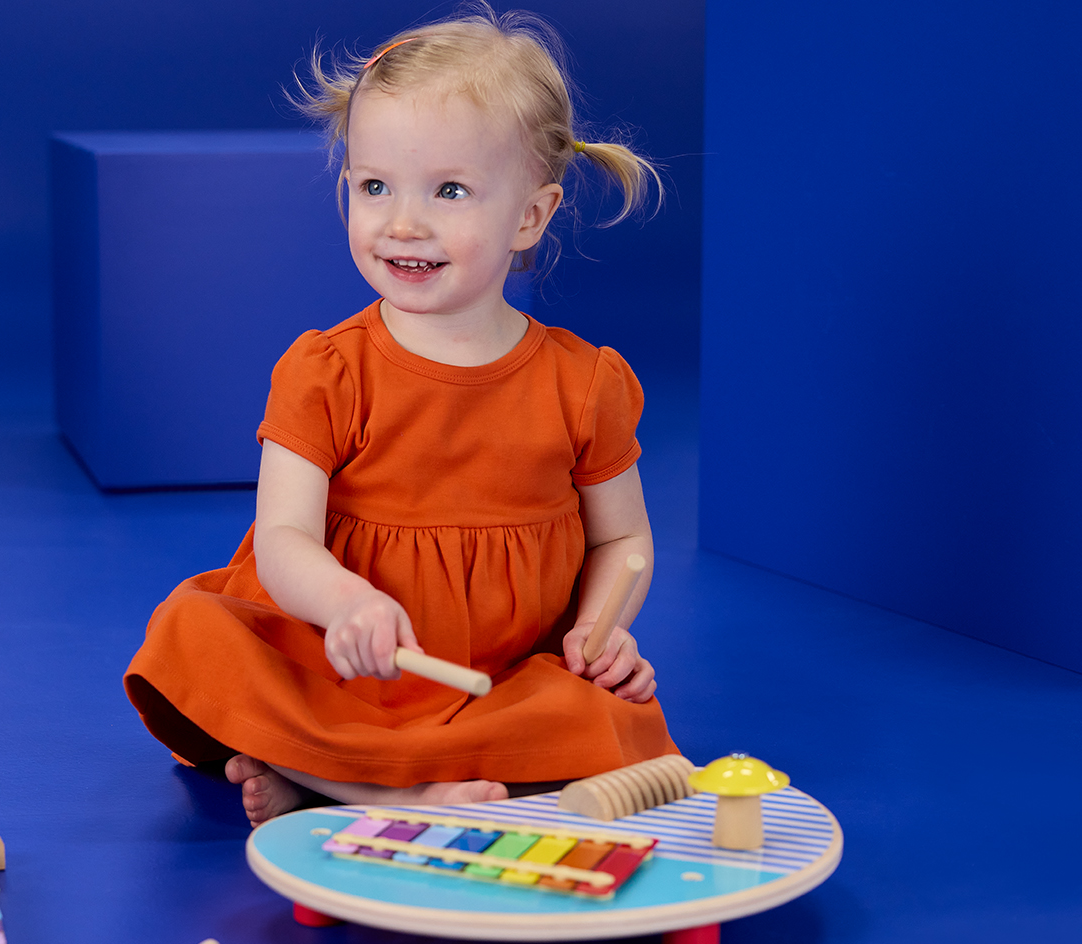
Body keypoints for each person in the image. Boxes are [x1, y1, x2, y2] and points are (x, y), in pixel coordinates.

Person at [125, 7, 678, 825]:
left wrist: (598, 637)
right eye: (375, 186)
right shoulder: (325, 369)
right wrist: (343, 603)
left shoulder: (584, 382)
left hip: (500, 674)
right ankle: (377, 783)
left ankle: (323, 780)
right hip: (340, 661)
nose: (402, 222)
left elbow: (622, 540)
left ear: (530, 214)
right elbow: (282, 541)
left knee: (608, 712)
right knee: (190, 633)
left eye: (449, 190)